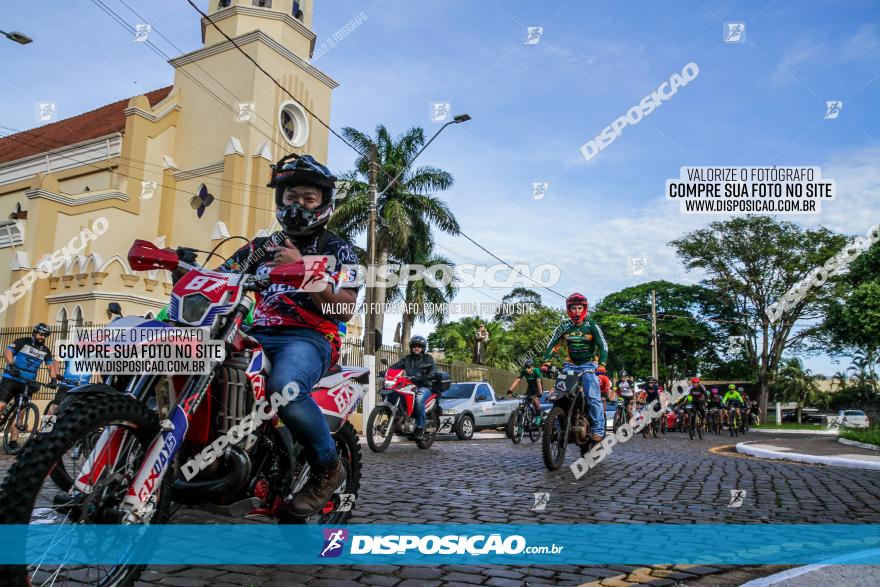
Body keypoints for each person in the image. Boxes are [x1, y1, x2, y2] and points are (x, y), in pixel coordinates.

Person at [208, 153, 359, 517]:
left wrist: (300, 269)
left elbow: (345, 307)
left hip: (308, 337)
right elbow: (218, 275)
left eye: (308, 199)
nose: (298, 206)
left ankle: (327, 469)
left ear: (324, 203)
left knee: (285, 388)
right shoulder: (263, 245)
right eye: (291, 198)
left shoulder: (339, 249)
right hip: (254, 331)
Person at [541, 293, 609, 442]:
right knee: (558, 397)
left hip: (589, 366)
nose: (577, 311)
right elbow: (552, 344)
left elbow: (603, 345)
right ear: (568, 309)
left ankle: (598, 429)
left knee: (593, 396)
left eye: (580, 308)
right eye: (574, 308)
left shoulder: (592, 325)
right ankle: (559, 425)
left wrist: (602, 364)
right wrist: (545, 362)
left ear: (584, 309)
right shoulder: (564, 326)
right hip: (570, 366)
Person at [1, 323, 58, 449]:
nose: (42, 337)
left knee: (20, 413)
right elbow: (8, 351)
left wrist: (53, 379)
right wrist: (12, 365)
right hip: (11, 378)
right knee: (1, 405)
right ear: (35, 332)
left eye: (45, 336)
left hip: (27, 383)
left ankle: (13, 442)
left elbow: (50, 366)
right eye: (41, 334)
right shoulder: (23, 341)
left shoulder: (45, 350)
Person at [391, 335, 435, 438]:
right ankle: (399, 420)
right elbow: (396, 366)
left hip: (424, 386)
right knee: (394, 393)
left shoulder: (428, 358)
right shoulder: (407, 359)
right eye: (414, 346)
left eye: (419, 346)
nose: (416, 348)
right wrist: (387, 371)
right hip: (409, 385)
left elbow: (433, 370)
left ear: (422, 348)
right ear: (411, 347)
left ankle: (420, 427)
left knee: (419, 399)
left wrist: (427, 376)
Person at [507, 359, 544, 424]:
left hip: (538, 387)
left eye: (528, 367)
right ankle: (527, 414)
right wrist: (510, 390)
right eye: (526, 367)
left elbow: (538, 383)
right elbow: (517, 380)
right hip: (530, 387)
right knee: (526, 400)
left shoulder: (536, 371)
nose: (527, 369)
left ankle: (538, 416)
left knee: (535, 399)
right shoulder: (524, 371)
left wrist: (540, 393)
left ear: (532, 367)